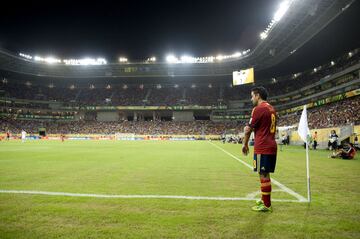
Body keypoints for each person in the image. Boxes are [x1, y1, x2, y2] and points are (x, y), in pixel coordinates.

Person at [242, 86, 277, 212]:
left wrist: (245, 144)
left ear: (258, 95)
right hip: (271, 144)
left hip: (263, 146)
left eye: (252, 96)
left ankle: (266, 204)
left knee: (263, 174)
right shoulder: (271, 108)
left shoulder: (258, 109)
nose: (251, 99)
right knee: (264, 173)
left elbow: (248, 129)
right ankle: (264, 200)